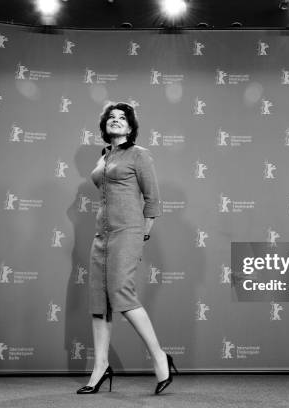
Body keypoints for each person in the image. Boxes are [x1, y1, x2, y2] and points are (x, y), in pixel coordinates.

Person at [76, 102, 177, 395]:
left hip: (127, 233)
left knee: (121, 292)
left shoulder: (140, 155)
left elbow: (153, 200)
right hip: (101, 236)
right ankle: (100, 367)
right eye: (111, 117)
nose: (116, 121)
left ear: (131, 127)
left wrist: (141, 235)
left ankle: (160, 358)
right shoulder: (105, 155)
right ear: (104, 126)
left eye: (122, 118)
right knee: (99, 302)